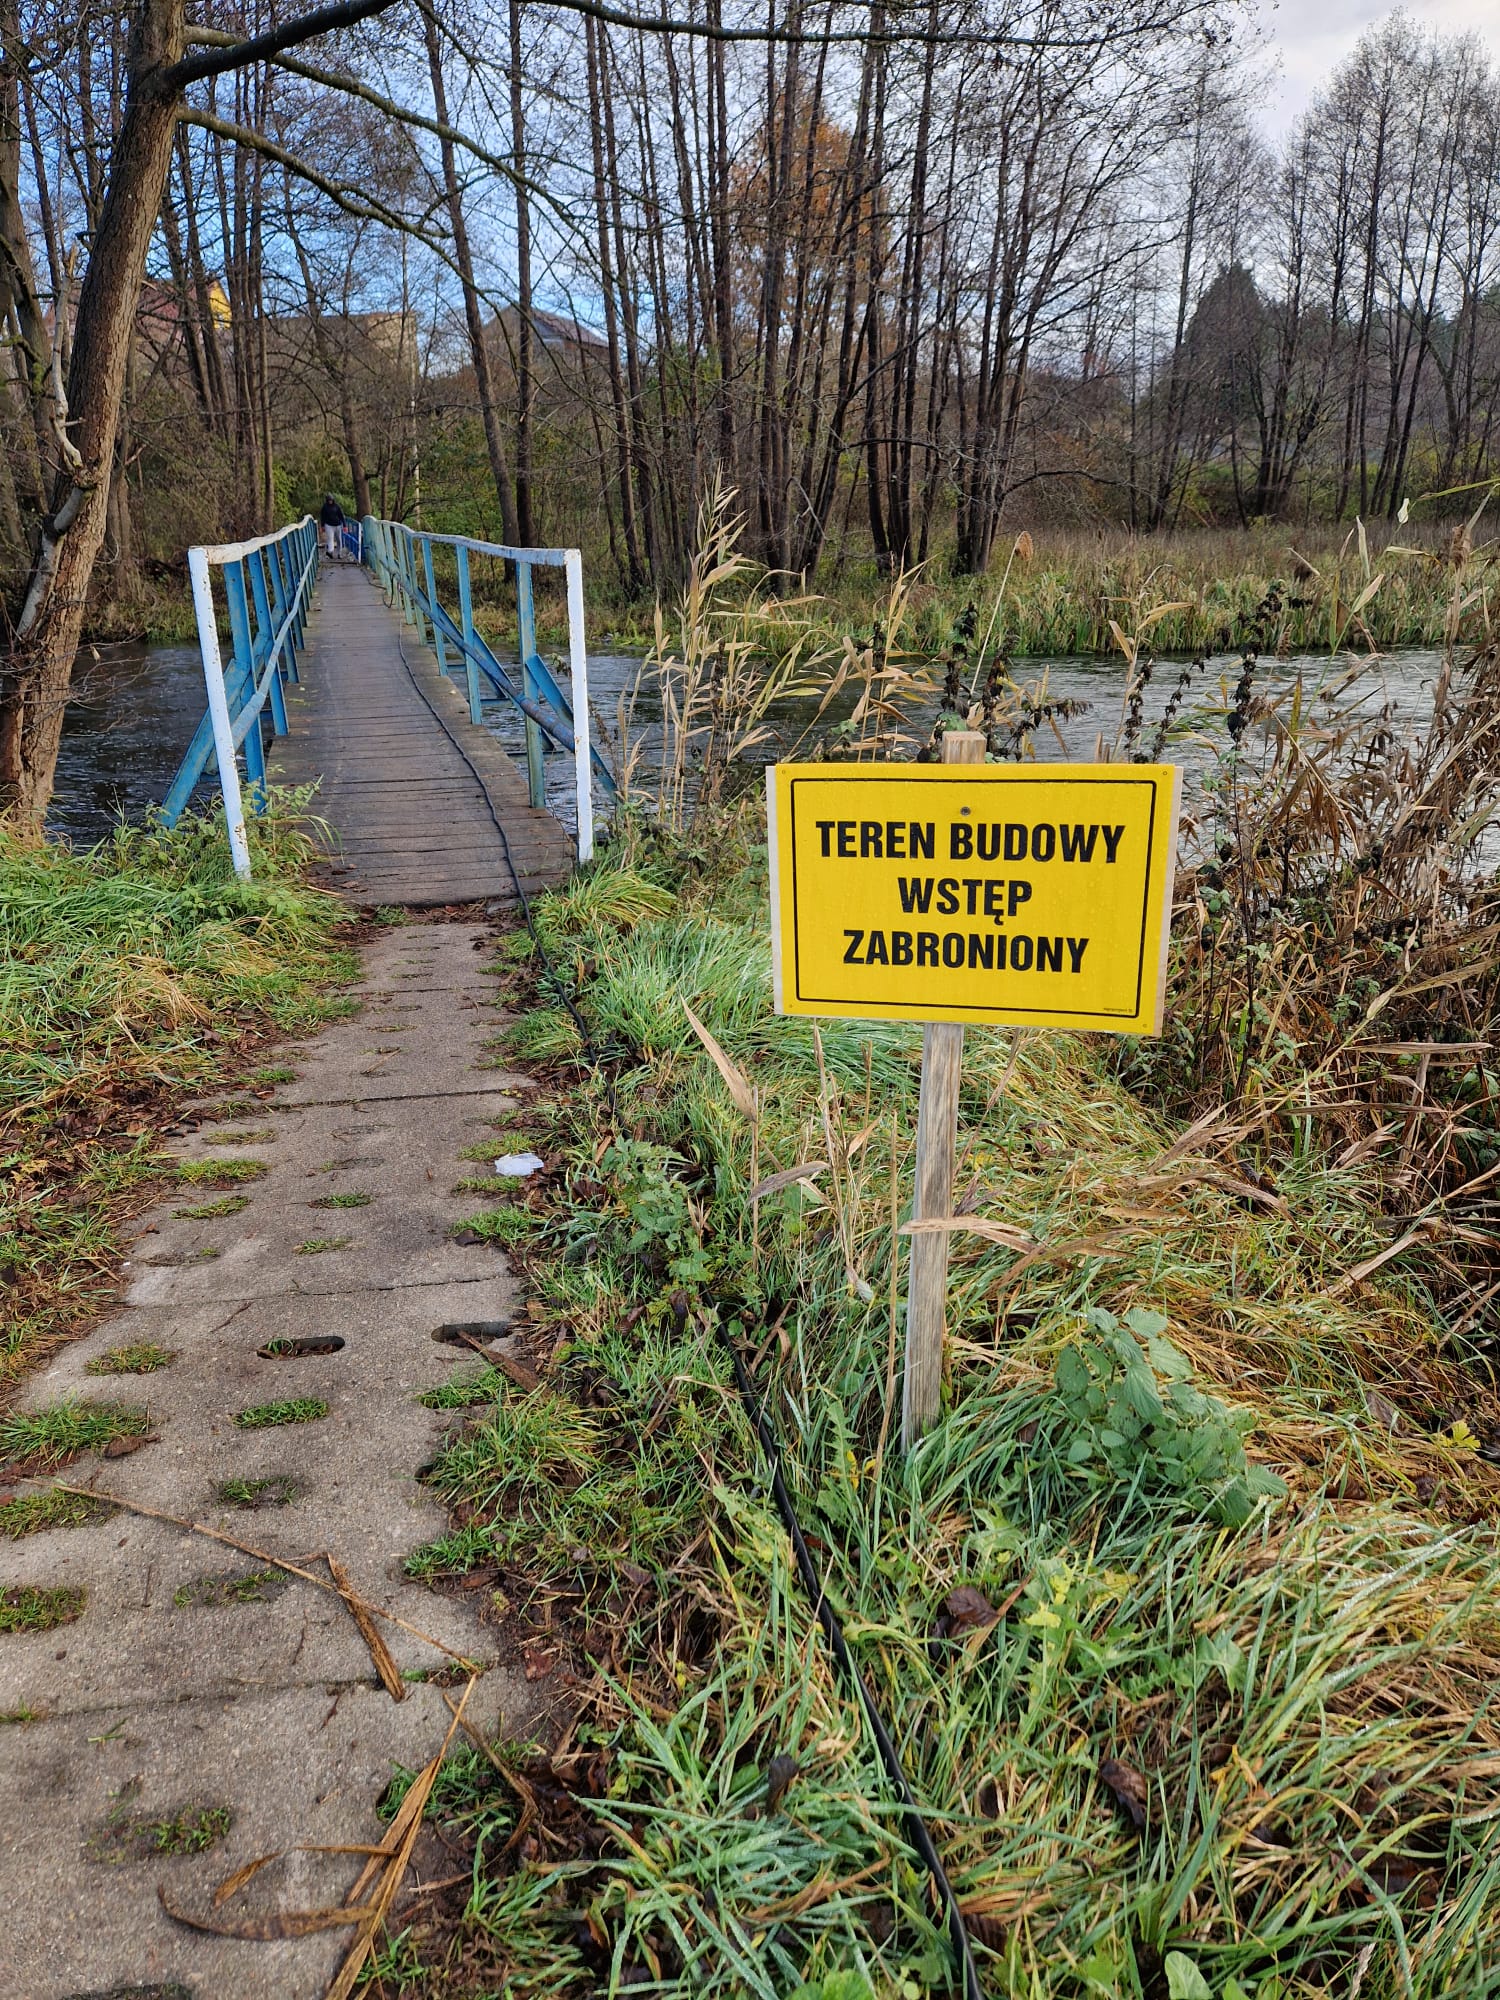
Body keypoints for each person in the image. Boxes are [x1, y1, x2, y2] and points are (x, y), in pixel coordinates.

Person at [319, 493, 345, 559]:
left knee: (339, 540)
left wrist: (344, 525)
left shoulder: (337, 506)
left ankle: (339, 553)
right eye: (329, 500)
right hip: (329, 525)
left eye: (331, 500)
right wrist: (322, 526)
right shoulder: (324, 507)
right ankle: (330, 551)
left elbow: (341, 516)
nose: (330, 501)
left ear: (333, 500)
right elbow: (322, 517)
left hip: (338, 525)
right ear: (327, 500)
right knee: (330, 539)